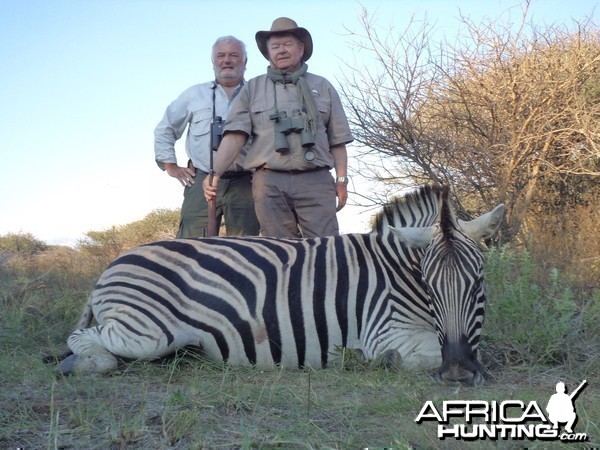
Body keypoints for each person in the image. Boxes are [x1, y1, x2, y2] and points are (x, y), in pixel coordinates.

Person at [203, 18, 353, 238]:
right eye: (275, 46)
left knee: (326, 249)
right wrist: (214, 173)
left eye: (287, 44)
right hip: (269, 183)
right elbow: (235, 135)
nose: (281, 50)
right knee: (278, 253)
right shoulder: (252, 88)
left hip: (316, 179)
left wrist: (341, 180)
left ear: (300, 49)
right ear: (268, 52)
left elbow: (338, 140)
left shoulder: (323, 86)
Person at [154, 36, 260, 238]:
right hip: (202, 177)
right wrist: (170, 166)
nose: (226, 60)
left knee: (246, 249)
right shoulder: (194, 94)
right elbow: (165, 128)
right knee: (191, 247)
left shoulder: (258, 94)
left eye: (234, 55)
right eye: (221, 55)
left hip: (245, 182)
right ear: (213, 61)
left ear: (245, 62)